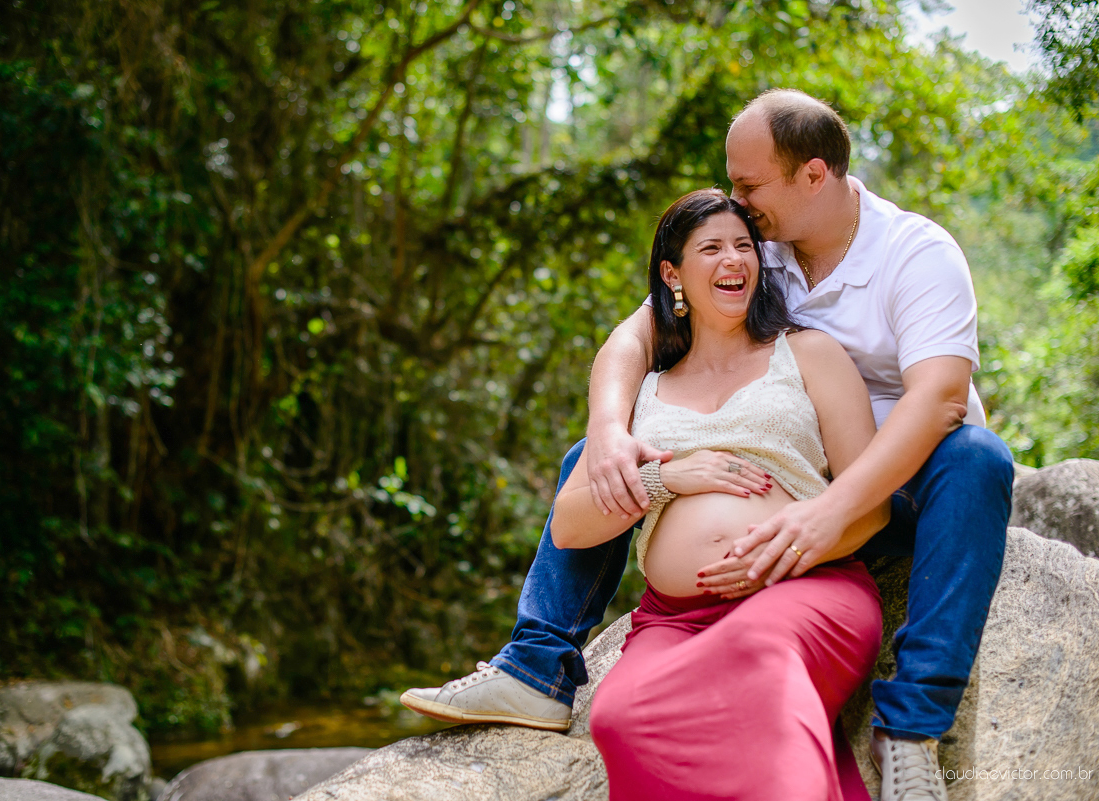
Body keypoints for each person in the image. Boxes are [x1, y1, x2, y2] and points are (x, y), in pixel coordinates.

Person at [402, 90, 1014, 801]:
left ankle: (910, 731)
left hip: (897, 489)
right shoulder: (762, 248)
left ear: (812, 176)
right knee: (593, 458)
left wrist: (827, 515)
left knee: (977, 457)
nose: (736, 199)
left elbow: (939, 397)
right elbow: (634, 337)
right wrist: (609, 432)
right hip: (801, 485)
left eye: (749, 185)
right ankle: (537, 664)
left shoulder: (916, 253)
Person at [553, 188, 888, 800]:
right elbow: (569, 528)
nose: (734, 260)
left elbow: (871, 503)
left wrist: (788, 548)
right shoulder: (644, 392)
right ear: (671, 273)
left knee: (759, 651)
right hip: (676, 620)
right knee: (618, 716)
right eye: (711, 248)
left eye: (745, 246)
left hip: (804, 588)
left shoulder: (807, 353)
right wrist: (663, 479)